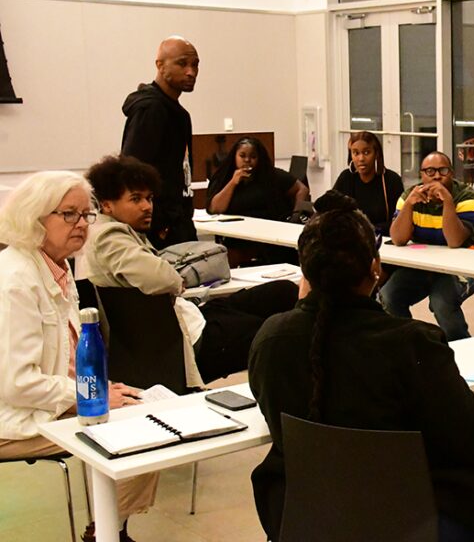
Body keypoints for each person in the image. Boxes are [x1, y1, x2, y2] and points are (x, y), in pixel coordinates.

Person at [249, 190, 474, 542]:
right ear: (376, 269)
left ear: (306, 271)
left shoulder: (272, 339)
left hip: (308, 517)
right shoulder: (411, 343)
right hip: (417, 521)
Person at [0, 171, 156, 542]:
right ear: (34, 217)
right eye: (68, 215)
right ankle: (106, 532)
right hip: (13, 415)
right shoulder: (15, 280)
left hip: (51, 399)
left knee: (147, 411)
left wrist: (99, 388)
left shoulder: (57, 266)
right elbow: (17, 383)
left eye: (86, 214)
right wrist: (90, 395)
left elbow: (65, 357)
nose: (82, 224)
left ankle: (106, 529)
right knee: (138, 433)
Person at [83, 155, 298, 386]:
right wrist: (176, 281)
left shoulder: (115, 230)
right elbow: (163, 278)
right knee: (278, 333)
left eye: (149, 198)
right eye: (135, 199)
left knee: (282, 291)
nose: (147, 206)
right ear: (107, 204)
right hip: (189, 337)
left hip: (191, 315)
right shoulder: (109, 237)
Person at [383, 152, 474, 341]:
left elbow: (454, 241)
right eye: (430, 171)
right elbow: (398, 239)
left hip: (464, 267)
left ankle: (462, 351)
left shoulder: (468, 197)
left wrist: (448, 202)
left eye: (442, 171)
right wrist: (409, 206)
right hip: (425, 265)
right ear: (422, 175)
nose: (436, 176)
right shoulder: (409, 195)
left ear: (451, 173)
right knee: (389, 296)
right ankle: (413, 345)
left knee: (442, 303)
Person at [121, 36, 200, 249]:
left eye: (195, 65)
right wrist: (159, 221)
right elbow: (132, 168)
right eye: (182, 64)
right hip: (160, 226)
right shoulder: (151, 109)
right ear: (160, 65)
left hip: (178, 218)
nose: (191, 72)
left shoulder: (178, 113)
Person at [206, 136, 309, 221]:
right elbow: (214, 209)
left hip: (268, 230)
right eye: (242, 156)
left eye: (253, 157)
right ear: (234, 157)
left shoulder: (271, 175)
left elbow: (302, 189)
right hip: (234, 233)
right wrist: (233, 183)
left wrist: (296, 216)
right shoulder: (224, 176)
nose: (247, 160)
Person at [332, 131, 404, 235]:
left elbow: (399, 220)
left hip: (382, 239)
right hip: (350, 239)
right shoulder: (346, 177)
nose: (361, 159)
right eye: (356, 153)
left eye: (366, 153)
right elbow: (331, 211)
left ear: (376, 154)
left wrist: (369, 230)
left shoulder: (392, 180)